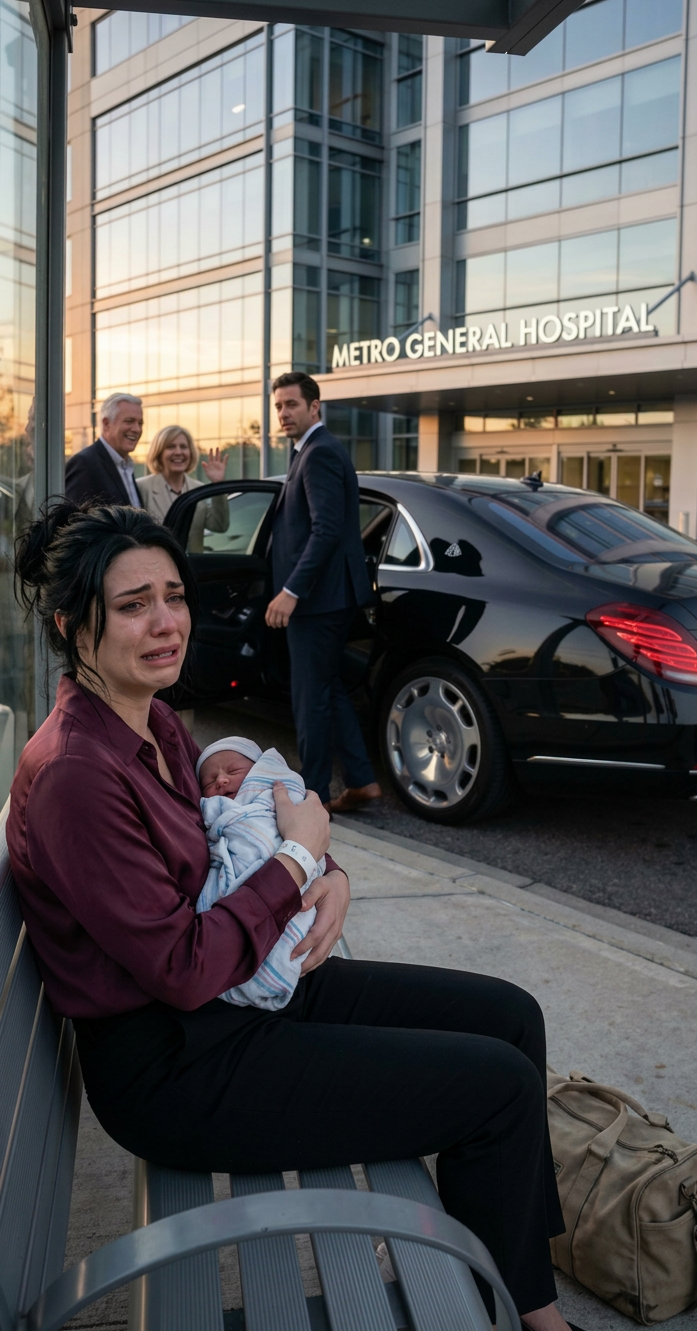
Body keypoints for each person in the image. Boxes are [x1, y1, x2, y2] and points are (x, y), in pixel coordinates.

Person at [8, 499, 577, 1331]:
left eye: (175, 594)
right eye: (133, 606)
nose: (167, 622)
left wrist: (330, 872)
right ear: (71, 624)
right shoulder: (76, 774)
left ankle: (502, 1274)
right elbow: (184, 966)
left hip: (239, 1000)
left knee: (510, 1017)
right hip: (180, 1067)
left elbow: (253, 823)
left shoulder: (151, 719)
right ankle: (536, 1319)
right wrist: (302, 860)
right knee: (501, 1091)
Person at [265, 372, 382, 814]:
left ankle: (310, 798)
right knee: (327, 690)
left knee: (309, 699)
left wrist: (292, 590)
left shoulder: (319, 453)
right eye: (279, 406)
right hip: (328, 598)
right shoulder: (311, 452)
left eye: (291, 405)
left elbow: (327, 529)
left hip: (317, 601)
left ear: (315, 407)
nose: (283, 413)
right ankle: (361, 780)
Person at [195, 735, 325, 1010]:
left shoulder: (272, 797)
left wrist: (334, 875)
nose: (220, 781)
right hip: (235, 933)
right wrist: (301, 854)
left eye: (233, 771)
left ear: (259, 772)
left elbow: (306, 831)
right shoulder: (221, 809)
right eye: (209, 781)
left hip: (286, 888)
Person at [136, 424, 230, 551]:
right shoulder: (142, 487)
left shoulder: (199, 490)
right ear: (159, 453)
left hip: (191, 568)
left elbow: (220, 526)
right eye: (171, 447)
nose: (178, 452)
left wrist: (218, 485)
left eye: (183, 447)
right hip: (156, 567)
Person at [65, 393, 144, 507]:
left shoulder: (126, 466)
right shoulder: (84, 464)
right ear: (106, 424)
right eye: (129, 421)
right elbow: (73, 520)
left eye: (140, 423)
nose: (137, 429)